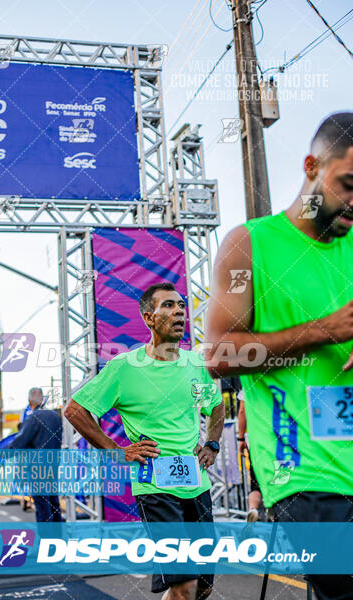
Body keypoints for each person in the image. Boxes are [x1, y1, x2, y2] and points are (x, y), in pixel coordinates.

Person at [205, 112, 353, 600]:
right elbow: (220, 354)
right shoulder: (248, 246)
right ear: (312, 166)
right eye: (347, 184)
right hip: (305, 472)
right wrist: (325, 330)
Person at [65, 282, 225, 600]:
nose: (179, 311)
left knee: (203, 584)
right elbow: (75, 410)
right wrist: (115, 451)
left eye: (181, 305)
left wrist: (212, 443)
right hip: (156, 489)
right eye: (168, 306)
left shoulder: (196, 363)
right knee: (184, 583)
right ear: (149, 318)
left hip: (198, 484)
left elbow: (216, 406)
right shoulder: (125, 367)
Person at [9, 387, 63, 523]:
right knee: (53, 502)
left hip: (37, 468)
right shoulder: (55, 416)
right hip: (54, 465)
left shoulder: (33, 417)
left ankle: (46, 541)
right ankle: (59, 539)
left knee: (43, 506)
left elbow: (19, 442)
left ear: (29, 401)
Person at [236, 389, 263, 522]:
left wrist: (241, 438)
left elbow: (242, 411)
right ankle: (273, 512)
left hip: (257, 443)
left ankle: (253, 509)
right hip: (281, 443)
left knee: (255, 485)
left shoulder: (249, 385)